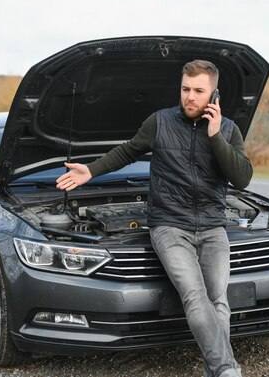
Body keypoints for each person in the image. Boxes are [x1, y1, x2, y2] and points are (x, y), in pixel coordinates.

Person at [56, 59, 251, 377]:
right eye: (186, 89)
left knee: (219, 301)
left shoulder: (228, 130)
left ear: (214, 94)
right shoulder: (159, 122)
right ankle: (227, 369)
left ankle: (216, 370)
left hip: (213, 226)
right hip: (169, 225)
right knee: (194, 294)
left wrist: (215, 137)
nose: (190, 96)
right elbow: (127, 151)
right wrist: (90, 170)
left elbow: (242, 178)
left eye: (199, 91)